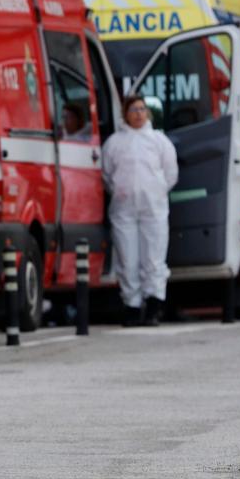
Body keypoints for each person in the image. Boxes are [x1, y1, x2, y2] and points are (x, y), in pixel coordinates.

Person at [102, 95, 178, 327]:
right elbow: (107, 175)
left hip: (153, 207)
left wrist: (156, 191)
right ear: (125, 113)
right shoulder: (114, 143)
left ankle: (154, 304)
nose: (138, 113)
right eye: (133, 109)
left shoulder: (159, 141)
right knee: (128, 258)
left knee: (153, 257)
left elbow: (170, 173)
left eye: (142, 109)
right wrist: (121, 191)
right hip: (124, 208)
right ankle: (132, 306)